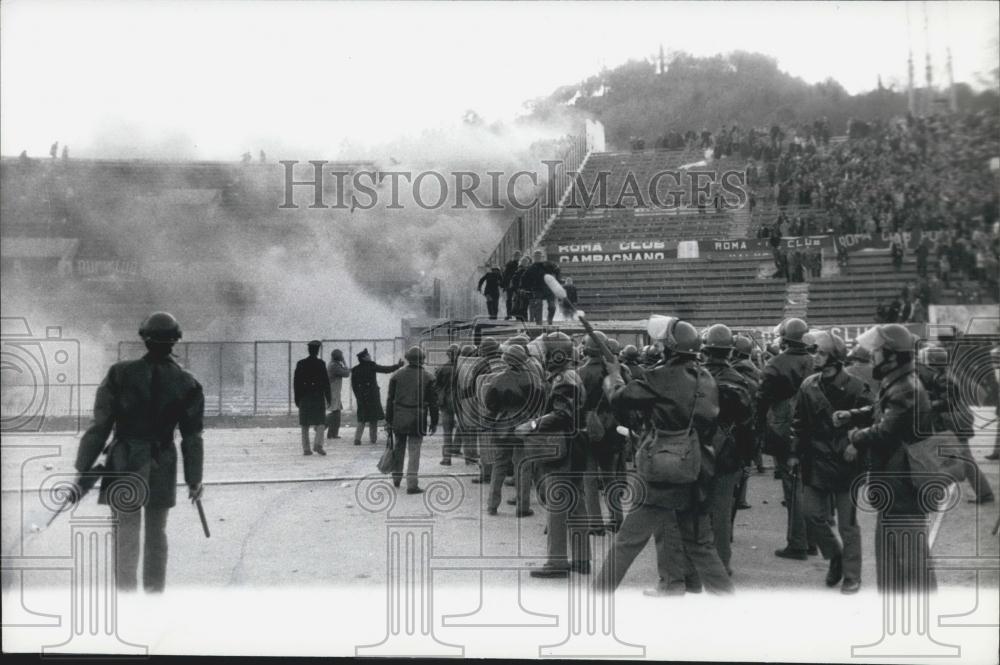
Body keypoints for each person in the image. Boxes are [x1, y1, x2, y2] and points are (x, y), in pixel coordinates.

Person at [594, 315, 733, 595]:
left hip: (661, 468)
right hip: (696, 467)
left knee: (627, 542)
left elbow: (620, 398)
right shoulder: (705, 378)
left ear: (670, 348)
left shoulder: (660, 376)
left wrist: (614, 374)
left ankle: (596, 597)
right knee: (700, 545)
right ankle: (730, 604)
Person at [72, 312, 204, 592]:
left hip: (124, 461)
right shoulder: (187, 382)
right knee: (157, 533)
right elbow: (192, 437)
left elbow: (100, 427)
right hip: (162, 462)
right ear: (175, 341)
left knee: (125, 534)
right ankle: (154, 596)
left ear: (144, 338)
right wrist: (194, 479)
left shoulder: (119, 373)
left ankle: (125, 596)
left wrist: (83, 468)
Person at [834, 324, 936, 593]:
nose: (873, 356)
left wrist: (857, 436)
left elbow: (886, 430)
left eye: (877, 351)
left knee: (910, 558)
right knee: (892, 554)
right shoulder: (899, 381)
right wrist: (854, 414)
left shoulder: (905, 387)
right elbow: (883, 410)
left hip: (902, 483)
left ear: (891, 355)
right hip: (895, 482)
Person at [789, 331, 873, 593]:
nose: (816, 356)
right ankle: (835, 555)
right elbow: (798, 422)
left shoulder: (858, 387)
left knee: (848, 524)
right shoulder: (808, 385)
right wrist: (793, 453)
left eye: (822, 353)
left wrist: (855, 444)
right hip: (815, 459)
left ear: (835, 358)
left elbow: (872, 421)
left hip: (846, 463)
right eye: (815, 351)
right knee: (811, 514)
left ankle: (851, 575)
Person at [527, 332, 591, 578]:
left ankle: (556, 561)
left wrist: (532, 425)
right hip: (574, 445)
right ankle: (582, 559)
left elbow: (562, 415)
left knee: (557, 503)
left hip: (562, 446)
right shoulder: (568, 375)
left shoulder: (563, 379)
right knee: (575, 503)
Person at [758, 317, 816, 560]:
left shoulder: (776, 363)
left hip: (785, 426)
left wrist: (760, 429)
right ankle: (811, 540)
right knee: (810, 485)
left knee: (793, 488)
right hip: (813, 427)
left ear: (784, 338)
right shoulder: (815, 361)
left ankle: (798, 543)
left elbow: (762, 399)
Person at [699, 324, 754, 576]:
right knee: (721, 512)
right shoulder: (741, 380)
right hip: (727, 453)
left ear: (706, 351)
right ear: (730, 353)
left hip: (697, 450)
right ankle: (722, 563)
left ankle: (695, 561)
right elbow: (748, 421)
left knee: (695, 509)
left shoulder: (695, 376)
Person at [915, 347, 994, 504]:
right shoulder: (944, 375)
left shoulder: (943, 378)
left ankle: (985, 495)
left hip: (953, 422)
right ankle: (984, 493)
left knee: (963, 459)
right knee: (958, 459)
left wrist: (929, 403)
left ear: (932, 362)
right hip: (956, 420)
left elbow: (948, 401)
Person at [482, 343, 543, 516]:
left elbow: (490, 404)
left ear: (506, 360)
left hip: (503, 424)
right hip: (526, 424)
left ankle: (492, 505)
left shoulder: (498, 378)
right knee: (523, 465)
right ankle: (522, 507)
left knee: (499, 464)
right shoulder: (534, 378)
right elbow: (540, 402)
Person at [577, 330, 628, 533]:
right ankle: (617, 519)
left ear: (587, 349)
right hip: (613, 428)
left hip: (588, 428)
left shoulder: (580, 372)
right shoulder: (618, 371)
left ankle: (595, 523)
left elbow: (577, 404)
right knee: (610, 476)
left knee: (589, 478)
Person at [386, 346, 438, 493]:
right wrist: (434, 421)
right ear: (422, 359)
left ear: (408, 358)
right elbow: (433, 403)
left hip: (399, 416)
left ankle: (396, 478)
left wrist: (388, 420)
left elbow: (390, 399)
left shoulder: (396, 375)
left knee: (399, 448)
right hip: (418, 418)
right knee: (414, 450)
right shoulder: (429, 377)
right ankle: (412, 484)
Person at [351, 349, 403, 446]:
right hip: (372, 396)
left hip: (362, 396)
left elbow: (354, 385)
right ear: (364, 357)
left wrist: (358, 396)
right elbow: (385, 370)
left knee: (361, 418)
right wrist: (397, 366)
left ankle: (357, 439)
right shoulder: (371, 366)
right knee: (373, 419)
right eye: (368, 355)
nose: (370, 356)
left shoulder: (355, 369)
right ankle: (373, 439)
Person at [294, 340, 332, 455]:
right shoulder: (321, 364)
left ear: (308, 350)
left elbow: (296, 382)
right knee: (320, 421)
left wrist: (297, 398)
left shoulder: (300, 363)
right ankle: (318, 444)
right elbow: (326, 382)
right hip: (317, 396)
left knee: (305, 424)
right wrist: (328, 397)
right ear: (318, 351)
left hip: (304, 396)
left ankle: (306, 449)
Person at [435, 344, 460, 465]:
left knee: (447, 431)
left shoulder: (442, 368)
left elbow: (437, 386)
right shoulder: (462, 368)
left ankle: (446, 458)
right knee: (464, 428)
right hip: (460, 402)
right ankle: (467, 454)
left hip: (446, 402)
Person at [521, 250, 561, 325]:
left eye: (539, 256)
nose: (538, 258)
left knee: (552, 306)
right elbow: (524, 279)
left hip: (549, 289)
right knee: (538, 305)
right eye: (536, 256)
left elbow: (557, 269)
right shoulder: (531, 268)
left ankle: (550, 320)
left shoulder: (548, 265)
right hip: (537, 289)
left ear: (542, 257)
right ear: (534, 257)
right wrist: (524, 288)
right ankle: (539, 323)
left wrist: (557, 280)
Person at [326, 349, 350, 440]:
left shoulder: (334, 364)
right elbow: (346, 373)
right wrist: (344, 362)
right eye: (341, 356)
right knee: (335, 413)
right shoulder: (334, 366)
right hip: (333, 392)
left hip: (334, 391)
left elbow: (345, 371)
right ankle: (323, 424)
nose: (342, 357)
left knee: (337, 412)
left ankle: (332, 433)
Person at [501, 250, 522, 320]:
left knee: (517, 299)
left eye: (518, 256)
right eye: (516, 255)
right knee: (509, 299)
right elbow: (505, 274)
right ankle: (509, 314)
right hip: (510, 284)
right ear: (514, 256)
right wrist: (504, 285)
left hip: (517, 284)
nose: (517, 257)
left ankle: (517, 314)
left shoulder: (520, 264)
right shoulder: (510, 264)